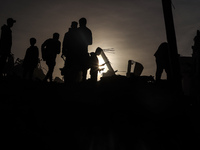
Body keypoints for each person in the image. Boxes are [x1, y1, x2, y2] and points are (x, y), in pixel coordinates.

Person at [77, 17, 93, 82]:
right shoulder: (88, 31)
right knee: (83, 68)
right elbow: (90, 42)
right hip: (82, 51)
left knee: (82, 68)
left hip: (78, 52)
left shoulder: (77, 31)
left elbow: (90, 42)